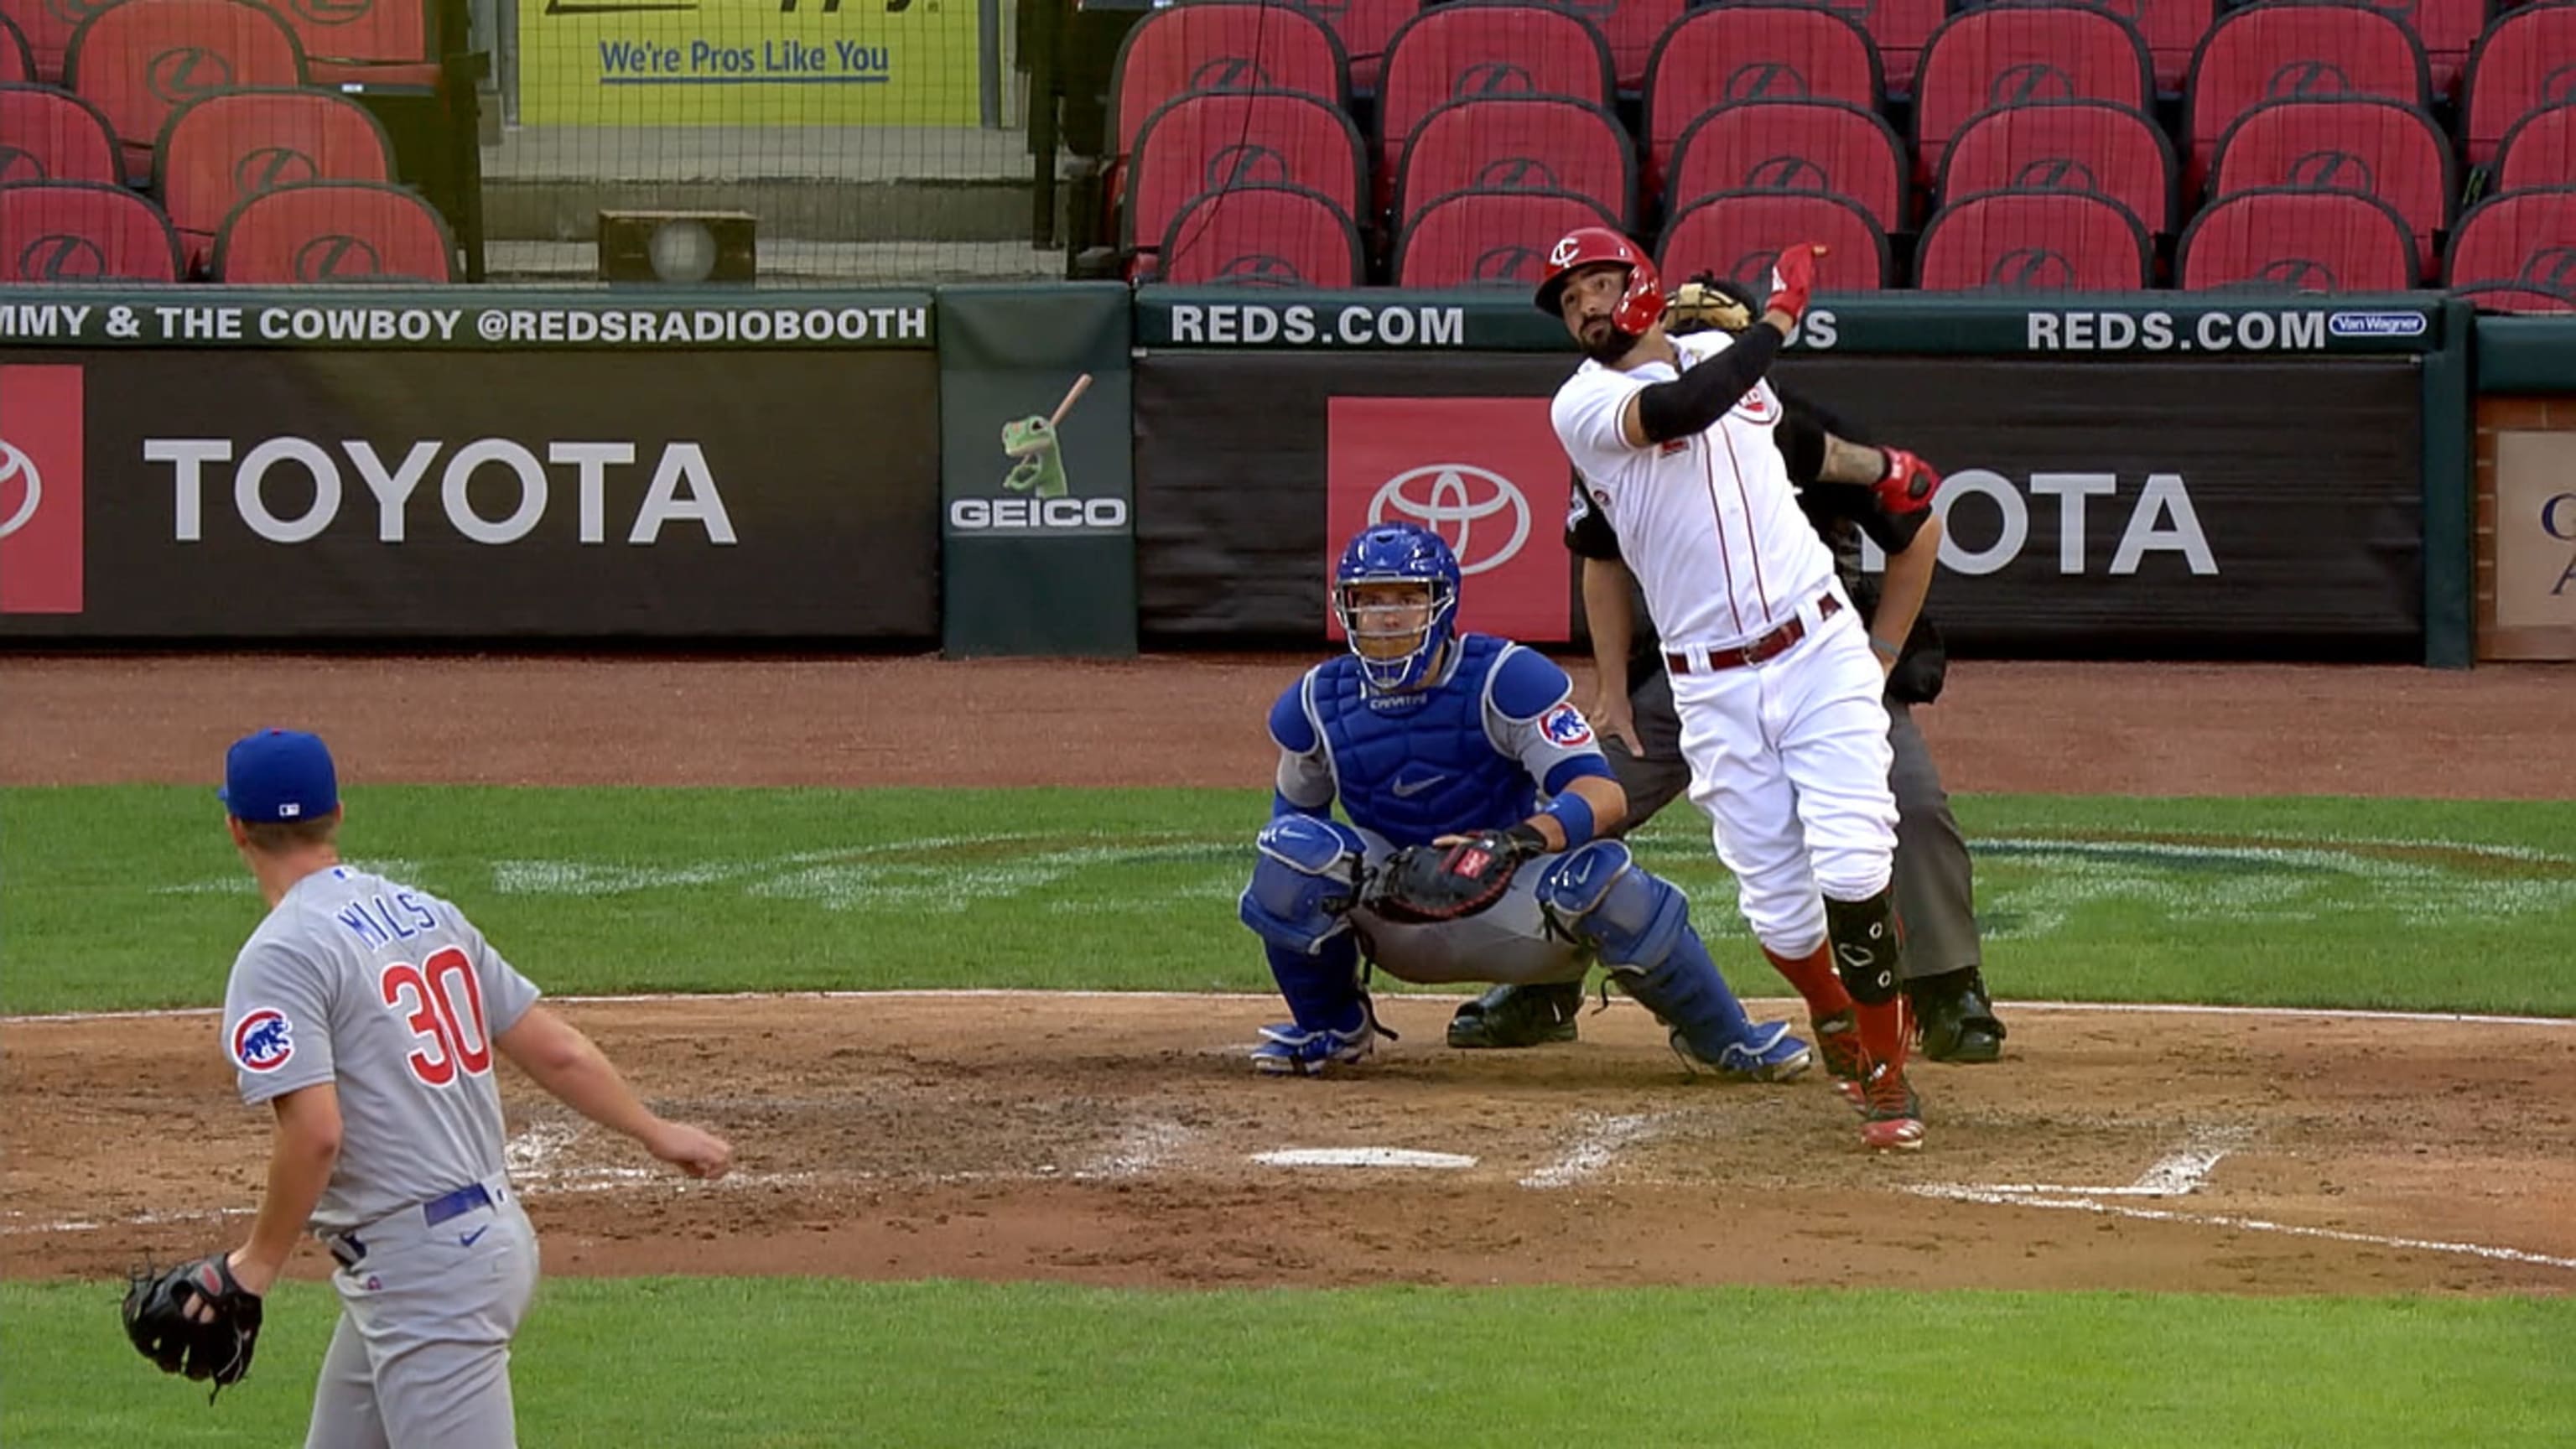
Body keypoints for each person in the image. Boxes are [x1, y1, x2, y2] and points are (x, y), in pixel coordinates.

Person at [1452, 274, 2008, 1067]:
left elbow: (1916, 525)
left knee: (1910, 801)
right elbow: (1600, 563)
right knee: (1583, 796)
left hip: (1817, 655)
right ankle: (1540, 981)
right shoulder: (1619, 430)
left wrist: (1879, 655)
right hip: (1688, 675)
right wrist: (1609, 688)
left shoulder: (1787, 422)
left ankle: (1949, 987)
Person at [208, 728, 734, 1447]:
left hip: (426, 1275)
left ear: (236, 826)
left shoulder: (280, 952)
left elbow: (316, 1132)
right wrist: (653, 1129)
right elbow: (557, 1050)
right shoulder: (426, 913)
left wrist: (256, 1266)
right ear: (339, 813)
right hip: (460, 1247)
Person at [1532, 227, 1936, 1150]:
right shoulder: (1583, 405)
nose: (1585, 307)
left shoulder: (1724, 357)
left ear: (1643, 284)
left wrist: (1890, 471)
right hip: (1708, 684)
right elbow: (1682, 408)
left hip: (1816, 647)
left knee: (1852, 865)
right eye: (1568, 301)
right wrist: (1784, 316)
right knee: (1780, 914)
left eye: (1597, 285)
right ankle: (1830, 1006)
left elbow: (1797, 442)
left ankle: (1885, 1074)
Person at [1235, 519, 1812, 1084]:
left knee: (1606, 878)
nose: (1387, 615)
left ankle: (1724, 1037)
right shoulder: (1316, 700)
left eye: (1407, 597)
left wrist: (1513, 842)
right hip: (1396, 912)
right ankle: (1331, 1029)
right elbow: (1292, 829)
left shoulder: (1505, 677)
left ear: (1442, 603)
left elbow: (1601, 794)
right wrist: (1373, 880)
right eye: (1370, 599)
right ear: (1346, 609)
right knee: (1290, 854)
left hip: (1510, 905)